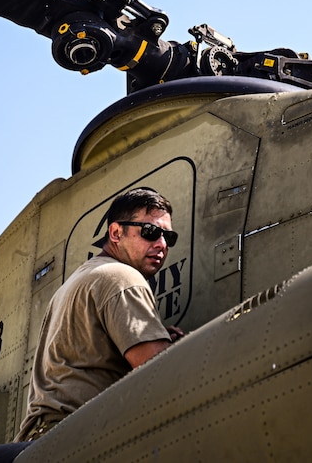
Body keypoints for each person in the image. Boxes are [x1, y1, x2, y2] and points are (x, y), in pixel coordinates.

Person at [14, 187, 184, 443]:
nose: (160, 244)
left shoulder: (78, 281)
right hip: (77, 440)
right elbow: (160, 373)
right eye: (150, 232)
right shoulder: (123, 277)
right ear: (116, 232)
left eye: (167, 237)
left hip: (41, 441)